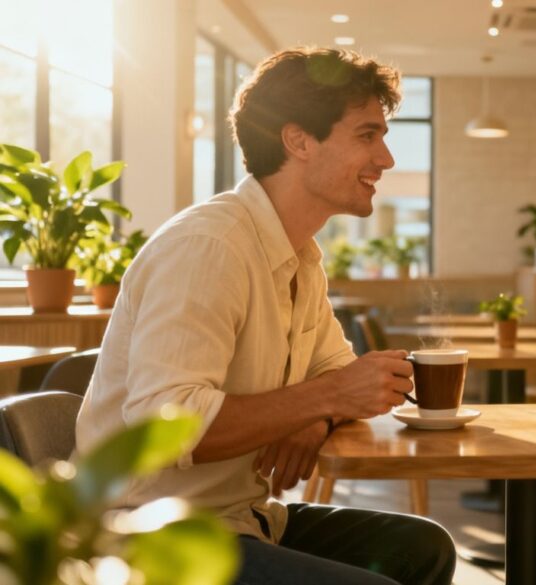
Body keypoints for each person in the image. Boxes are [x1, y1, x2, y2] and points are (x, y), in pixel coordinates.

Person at [76, 48, 456, 585]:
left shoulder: (299, 256)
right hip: (154, 540)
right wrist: (325, 399)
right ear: (298, 140)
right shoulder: (210, 247)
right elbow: (163, 424)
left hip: (244, 520)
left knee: (423, 547)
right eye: (367, 136)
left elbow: (336, 374)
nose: (387, 159)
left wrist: (317, 414)